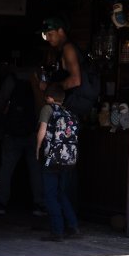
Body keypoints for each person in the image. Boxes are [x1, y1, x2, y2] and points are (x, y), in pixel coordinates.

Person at [0, 65, 45, 216]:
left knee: (6, 169)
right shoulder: (37, 77)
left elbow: (1, 104)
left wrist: (0, 128)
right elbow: (41, 105)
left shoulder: (11, 79)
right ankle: (39, 204)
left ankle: (1, 203)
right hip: (32, 132)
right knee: (36, 169)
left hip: (12, 132)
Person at [36, 83, 81, 242]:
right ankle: (73, 226)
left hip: (52, 158)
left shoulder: (47, 109)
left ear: (49, 98)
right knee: (61, 193)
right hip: (68, 159)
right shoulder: (69, 113)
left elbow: (42, 130)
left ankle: (57, 230)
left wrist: (37, 148)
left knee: (50, 195)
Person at [40, 16, 97, 120]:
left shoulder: (68, 49)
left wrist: (50, 87)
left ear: (60, 31)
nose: (47, 38)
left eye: (50, 34)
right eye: (45, 35)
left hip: (77, 101)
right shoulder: (63, 49)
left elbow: (75, 81)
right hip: (76, 102)